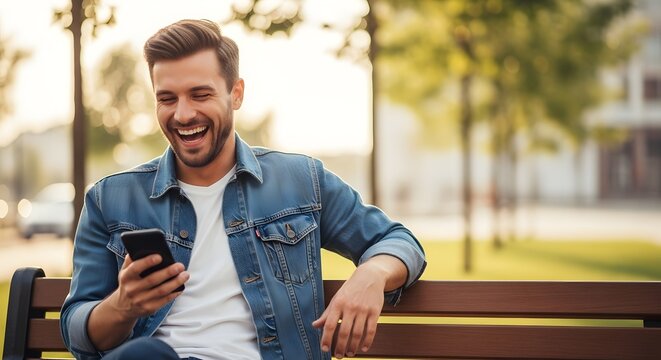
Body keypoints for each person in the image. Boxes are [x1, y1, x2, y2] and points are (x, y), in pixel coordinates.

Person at [60, 19, 426, 360]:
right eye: (167, 98)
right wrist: (123, 305)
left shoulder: (300, 181)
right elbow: (78, 332)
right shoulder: (110, 199)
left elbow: (398, 241)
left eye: (200, 95)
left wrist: (371, 275)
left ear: (236, 94)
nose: (183, 114)